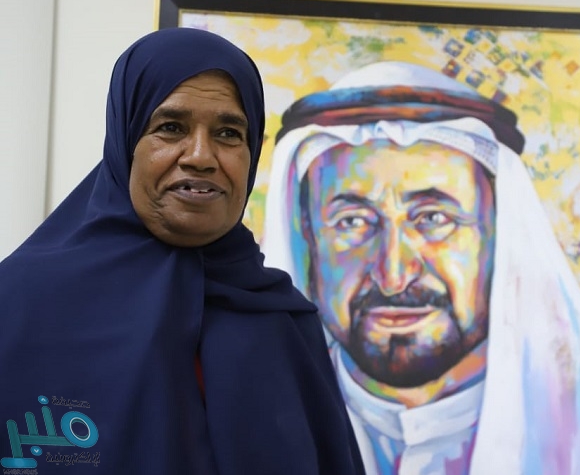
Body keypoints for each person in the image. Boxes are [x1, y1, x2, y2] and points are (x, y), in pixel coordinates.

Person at [0, 28, 366, 475]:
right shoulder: (22, 304)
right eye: (171, 128)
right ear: (125, 141)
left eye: (228, 133)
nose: (200, 156)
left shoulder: (284, 322)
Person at [262, 61, 580, 474]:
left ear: (501, 235)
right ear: (308, 241)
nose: (394, 275)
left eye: (434, 219)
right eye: (352, 222)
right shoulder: (253, 413)